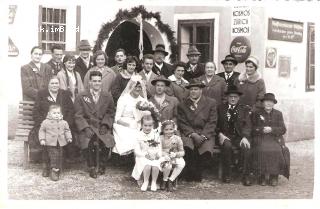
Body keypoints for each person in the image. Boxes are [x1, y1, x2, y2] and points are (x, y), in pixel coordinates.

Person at [74, 71, 115, 178]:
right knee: (87, 142)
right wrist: (85, 127)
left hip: (101, 125)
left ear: (101, 82)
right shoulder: (81, 96)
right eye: (94, 81)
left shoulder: (107, 96)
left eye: (99, 81)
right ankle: (91, 166)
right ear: (90, 82)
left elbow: (110, 112)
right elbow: (78, 115)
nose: (97, 83)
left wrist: (105, 125)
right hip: (88, 125)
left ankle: (102, 164)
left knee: (107, 140)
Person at [177, 78, 217, 182]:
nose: (193, 91)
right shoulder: (183, 104)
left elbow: (212, 122)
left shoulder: (211, 102)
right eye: (191, 89)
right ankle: (190, 173)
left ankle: (198, 173)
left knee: (205, 150)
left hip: (205, 133)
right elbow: (182, 122)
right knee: (188, 147)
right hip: (189, 132)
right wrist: (193, 134)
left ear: (201, 90)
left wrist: (203, 136)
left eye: (196, 89)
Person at [30, 76, 75, 163]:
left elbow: (71, 110)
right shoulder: (41, 94)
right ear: (48, 84)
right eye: (52, 83)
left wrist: (66, 123)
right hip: (46, 125)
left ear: (59, 84)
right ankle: (46, 164)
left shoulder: (64, 94)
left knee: (68, 135)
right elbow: (36, 112)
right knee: (42, 136)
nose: (54, 85)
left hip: (62, 125)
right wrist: (43, 123)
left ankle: (60, 161)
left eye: (56, 83)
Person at [216, 85, 252, 185]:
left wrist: (245, 137)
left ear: (238, 98)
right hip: (225, 136)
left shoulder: (244, 109)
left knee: (246, 147)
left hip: (239, 137)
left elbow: (248, 125)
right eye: (231, 96)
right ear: (227, 97)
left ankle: (246, 176)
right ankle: (227, 174)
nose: (233, 99)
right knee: (226, 146)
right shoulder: (220, 108)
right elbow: (215, 123)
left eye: (235, 97)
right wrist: (220, 134)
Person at [251, 93, 288, 186]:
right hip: (261, 137)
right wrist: (261, 129)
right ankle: (262, 176)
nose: (268, 104)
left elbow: (283, 129)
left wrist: (272, 129)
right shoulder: (257, 113)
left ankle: (274, 176)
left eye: (271, 102)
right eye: (266, 101)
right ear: (263, 103)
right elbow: (252, 128)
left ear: (273, 103)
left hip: (274, 138)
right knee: (262, 149)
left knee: (276, 150)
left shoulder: (278, 114)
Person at [39, 104, 72, 181]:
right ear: (49, 113)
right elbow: (42, 131)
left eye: (58, 113)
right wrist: (42, 139)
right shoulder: (45, 122)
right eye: (54, 113)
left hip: (60, 142)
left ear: (61, 114)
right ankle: (52, 170)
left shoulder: (64, 122)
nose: (56, 115)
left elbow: (67, 130)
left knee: (59, 156)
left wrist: (69, 137)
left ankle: (56, 169)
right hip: (50, 143)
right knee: (53, 156)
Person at [132, 115, 162, 191]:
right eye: (145, 125)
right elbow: (136, 150)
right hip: (142, 155)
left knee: (155, 165)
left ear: (153, 125)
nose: (148, 128)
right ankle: (146, 182)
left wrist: (158, 154)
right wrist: (144, 155)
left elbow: (159, 147)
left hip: (154, 154)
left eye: (150, 125)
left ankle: (154, 182)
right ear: (141, 125)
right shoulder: (138, 135)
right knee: (147, 165)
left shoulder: (155, 134)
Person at [159, 120, 185, 192]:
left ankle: (170, 180)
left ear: (174, 129)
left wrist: (176, 154)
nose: (169, 131)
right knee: (168, 165)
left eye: (171, 129)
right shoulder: (160, 138)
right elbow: (158, 150)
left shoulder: (177, 138)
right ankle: (164, 180)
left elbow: (182, 152)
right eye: (166, 130)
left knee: (182, 163)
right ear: (163, 130)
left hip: (174, 156)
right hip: (164, 156)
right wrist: (164, 154)